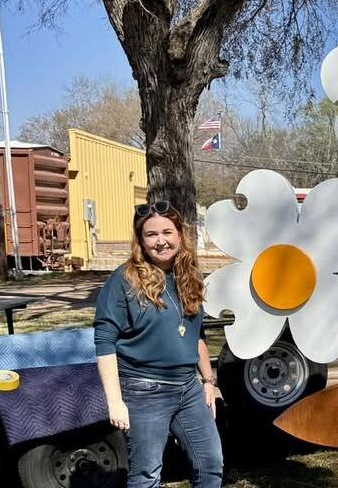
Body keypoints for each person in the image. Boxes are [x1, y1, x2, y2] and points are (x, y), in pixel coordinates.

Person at [93, 201, 223, 488]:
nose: (161, 241)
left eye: (167, 232)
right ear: (141, 240)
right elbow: (104, 341)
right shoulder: (123, 279)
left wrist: (208, 380)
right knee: (146, 474)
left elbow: (195, 333)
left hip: (188, 388)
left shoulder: (188, 275)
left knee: (211, 464)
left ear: (180, 235)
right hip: (144, 391)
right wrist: (115, 402)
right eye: (151, 235)